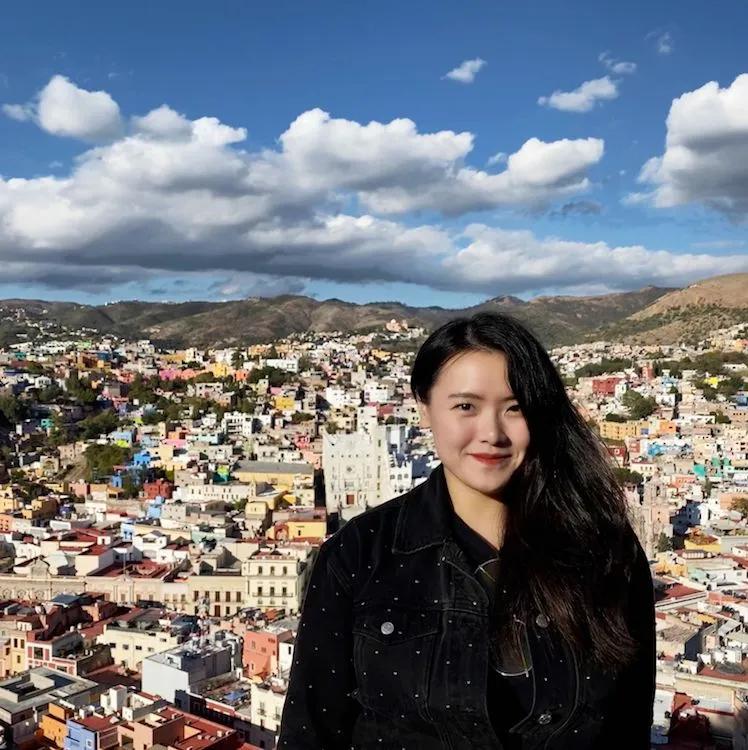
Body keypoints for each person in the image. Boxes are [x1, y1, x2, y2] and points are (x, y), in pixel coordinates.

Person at [278, 312, 656, 749]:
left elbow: (629, 727)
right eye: (466, 407)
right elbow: (311, 733)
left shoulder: (605, 551)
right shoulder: (359, 555)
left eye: (515, 408)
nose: (492, 433)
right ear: (424, 408)